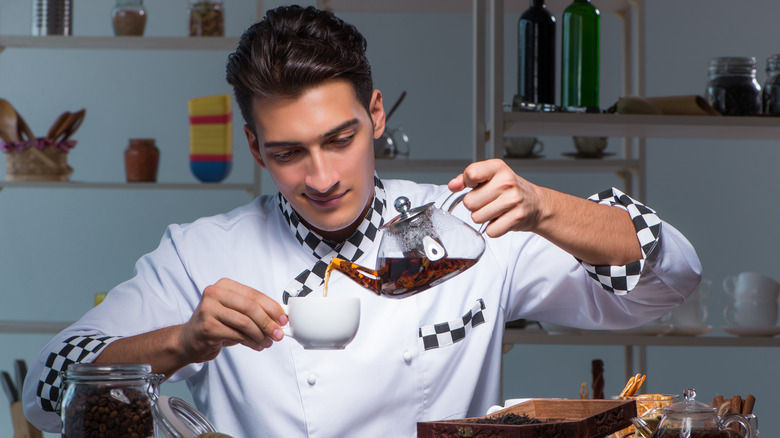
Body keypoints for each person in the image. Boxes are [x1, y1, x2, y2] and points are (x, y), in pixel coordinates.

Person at [23, 5, 701, 437]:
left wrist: (547, 207)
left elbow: (667, 283)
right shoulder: (202, 252)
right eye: (288, 153)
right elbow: (47, 392)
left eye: (340, 139)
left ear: (376, 115)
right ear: (255, 147)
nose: (320, 178)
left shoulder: (465, 224)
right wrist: (182, 342)